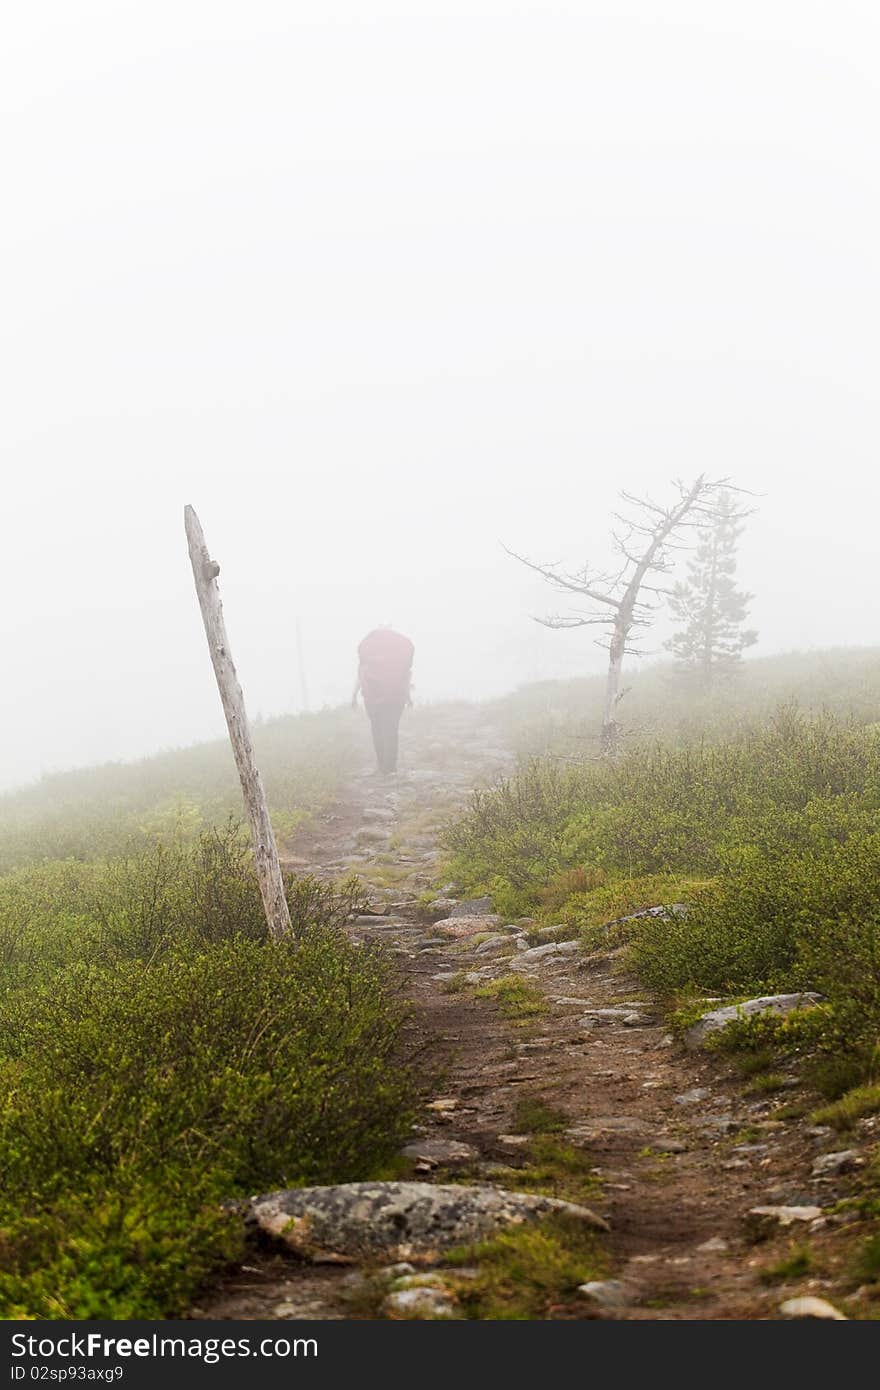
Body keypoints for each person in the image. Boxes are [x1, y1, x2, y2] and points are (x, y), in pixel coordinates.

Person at [352, 625, 414, 774]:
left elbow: (361, 675)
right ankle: (390, 768)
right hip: (396, 697)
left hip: (371, 696)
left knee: (376, 729)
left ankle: (381, 766)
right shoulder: (401, 649)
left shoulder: (368, 647)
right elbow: (406, 675)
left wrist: (353, 696)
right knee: (391, 729)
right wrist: (408, 697)